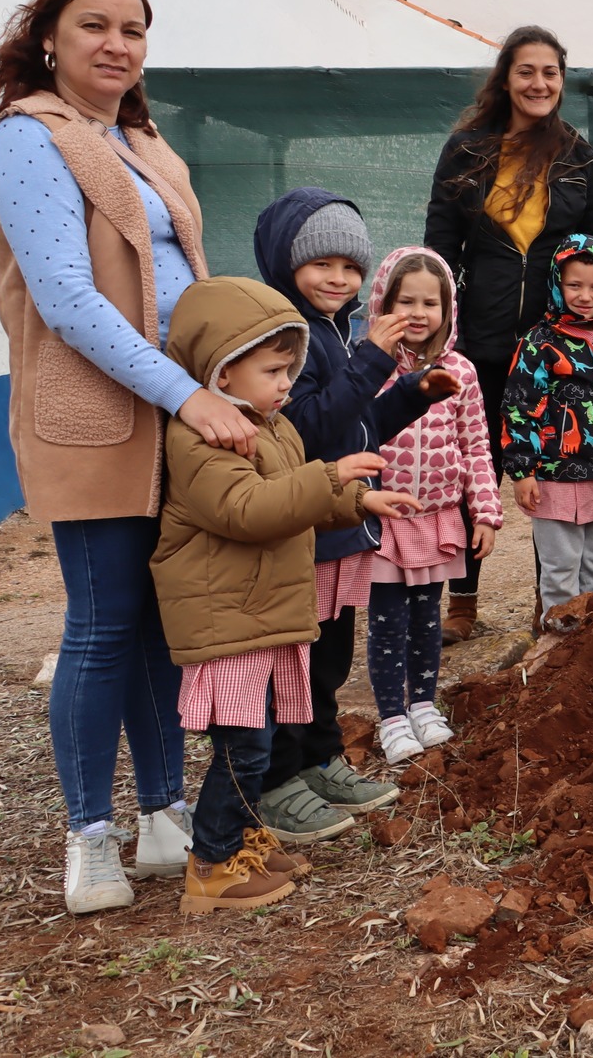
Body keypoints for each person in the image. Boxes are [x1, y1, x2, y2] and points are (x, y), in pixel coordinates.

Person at [0, 0, 255, 914]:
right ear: (48, 36)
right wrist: (189, 396)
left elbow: (184, 273)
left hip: (174, 406)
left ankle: (161, 813)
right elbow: (65, 299)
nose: (116, 44)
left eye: (133, 30)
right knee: (101, 627)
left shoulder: (137, 140)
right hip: (97, 416)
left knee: (157, 622)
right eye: (95, 25)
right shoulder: (28, 137)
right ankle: (89, 838)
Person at [152, 276, 419, 911]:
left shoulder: (269, 426)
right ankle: (213, 867)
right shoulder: (204, 438)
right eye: (274, 370)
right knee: (244, 749)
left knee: (257, 741)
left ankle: (240, 841)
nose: (286, 384)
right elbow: (248, 509)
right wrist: (331, 476)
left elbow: (295, 495)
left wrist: (357, 499)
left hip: (256, 616)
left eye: (289, 370)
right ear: (220, 371)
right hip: (228, 620)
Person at [424, 26, 593, 643]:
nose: (539, 83)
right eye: (527, 72)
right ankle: (462, 601)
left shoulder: (578, 155)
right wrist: (437, 322)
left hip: (559, 341)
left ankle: (558, 610)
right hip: (482, 334)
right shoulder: (465, 150)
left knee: (559, 467)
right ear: (506, 78)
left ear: (561, 81)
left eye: (551, 73)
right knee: (474, 464)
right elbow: (440, 239)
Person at [254, 189, 449, 840]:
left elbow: (359, 422)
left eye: (352, 266)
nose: (339, 277)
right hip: (305, 529)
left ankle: (319, 760)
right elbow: (307, 427)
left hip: (340, 531)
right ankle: (276, 781)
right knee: (291, 661)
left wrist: (415, 394)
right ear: (286, 261)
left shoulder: (334, 334)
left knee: (329, 657)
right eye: (322, 262)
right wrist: (372, 358)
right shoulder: (288, 336)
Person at [361, 248, 503, 763]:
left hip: (439, 518)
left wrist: (484, 512)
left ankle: (422, 703)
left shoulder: (461, 371)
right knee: (387, 621)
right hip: (386, 520)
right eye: (406, 300)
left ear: (449, 310)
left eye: (431, 302)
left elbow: (477, 446)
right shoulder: (367, 368)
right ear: (382, 302)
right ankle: (390, 716)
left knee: (427, 619)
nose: (419, 313)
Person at [498, 234, 593, 629]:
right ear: (556, 285)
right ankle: (560, 650)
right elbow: (518, 407)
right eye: (575, 285)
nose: (586, 295)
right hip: (554, 479)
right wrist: (523, 471)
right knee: (560, 569)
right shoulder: (539, 343)